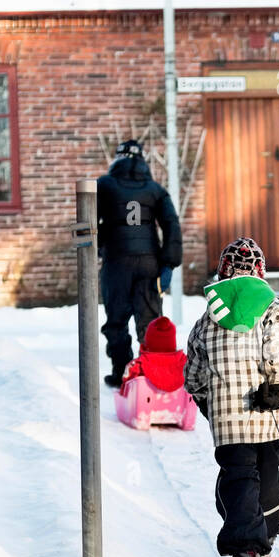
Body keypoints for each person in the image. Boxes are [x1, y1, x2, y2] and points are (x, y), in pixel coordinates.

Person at [185, 237, 279, 557]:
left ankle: (247, 553)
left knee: (238, 480)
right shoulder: (274, 310)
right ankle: (268, 526)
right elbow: (278, 346)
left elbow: (194, 373)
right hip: (269, 411)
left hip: (228, 419)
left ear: (222, 271)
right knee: (267, 472)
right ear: (261, 272)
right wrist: (276, 384)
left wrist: (204, 399)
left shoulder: (206, 321)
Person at [97, 139, 182, 387]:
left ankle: (121, 372)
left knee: (116, 320)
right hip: (149, 262)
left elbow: (89, 220)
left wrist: (100, 243)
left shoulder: (104, 185)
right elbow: (172, 225)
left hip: (117, 261)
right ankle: (154, 374)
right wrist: (169, 263)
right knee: (150, 320)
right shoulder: (155, 189)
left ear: (117, 158)